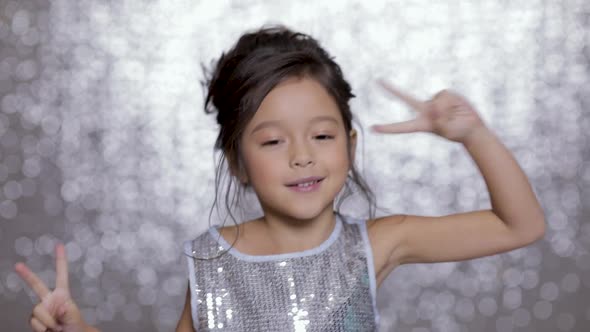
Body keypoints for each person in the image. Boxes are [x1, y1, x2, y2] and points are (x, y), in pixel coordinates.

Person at [14, 24, 546, 332]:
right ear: (238, 162)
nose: (301, 157)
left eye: (321, 136)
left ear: (350, 146)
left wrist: (474, 135)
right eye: (272, 141)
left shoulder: (377, 243)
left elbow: (518, 226)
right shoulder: (211, 258)